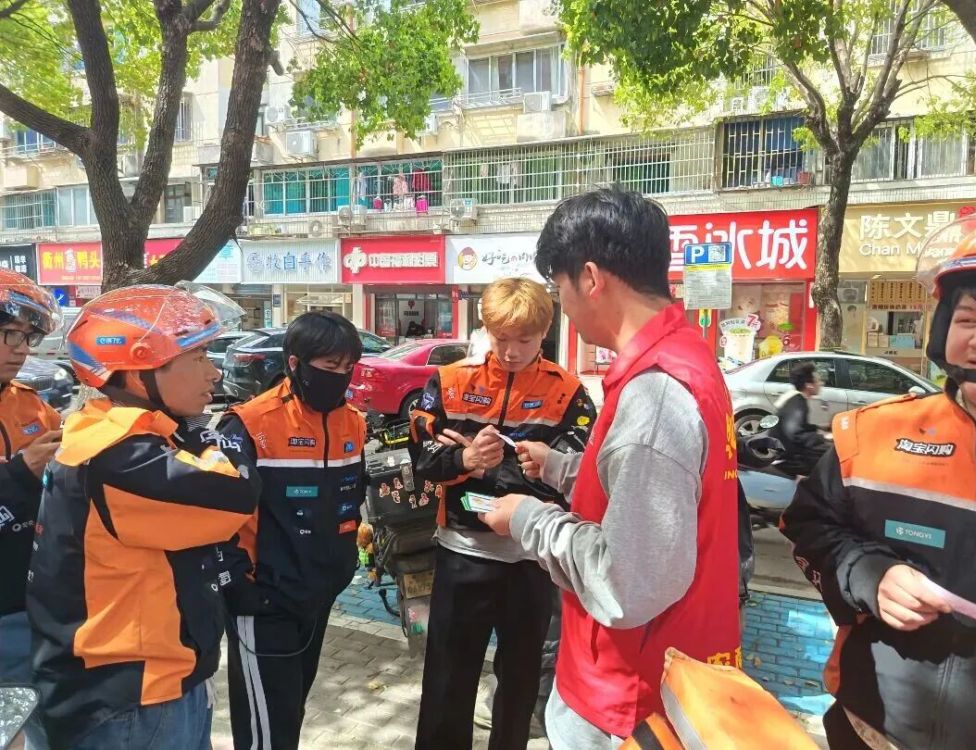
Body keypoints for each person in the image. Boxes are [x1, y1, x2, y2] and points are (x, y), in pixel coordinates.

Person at [479, 187, 741, 749]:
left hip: (629, 701)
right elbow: (652, 489)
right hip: (666, 676)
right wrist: (563, 469)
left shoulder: (655, 396)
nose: (564, 307)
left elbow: (625, 584)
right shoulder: (686, 357)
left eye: (560, 287)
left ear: (591, 278)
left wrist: (527, 519)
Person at [780, 211, 976, 749]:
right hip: (867, 731)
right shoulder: (873, 435)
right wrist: (869, 575)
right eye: (968, 318)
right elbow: (809, 527)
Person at [27, 284, 261, 750]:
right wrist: (210, 440)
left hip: (147, 685)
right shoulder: (119, 454)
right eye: (198, 357)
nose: (214, 372)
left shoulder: (118, 429)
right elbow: (236, 493)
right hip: (133, 698)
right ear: (138, 373)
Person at [409, 277, 594, 750]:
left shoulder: (569, 394)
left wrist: (537, 466)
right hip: (462, 554)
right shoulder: (449, 382)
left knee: (519, 685)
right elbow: (421, 462)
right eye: (501, 337)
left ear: (546, 331)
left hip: (532, 561)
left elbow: (583, 478)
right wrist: (465, 460)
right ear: (484, 328)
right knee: (447, 682)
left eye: (525, 340)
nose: (511, 352)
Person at [218, 311, 367, 750]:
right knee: (267, 730)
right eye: (329, 366)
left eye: (348, 367)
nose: (340, 377)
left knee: (290, 712)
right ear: (295, 363)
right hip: (264, 601)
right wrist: (241, 587)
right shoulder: (249, 424)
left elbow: (353, 496)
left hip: (319, 596)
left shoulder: (353, 422)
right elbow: (217, 519)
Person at [0, 270, 63, 750]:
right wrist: (20, 473)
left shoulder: (35, 408)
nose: (21, 349)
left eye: (27, 337)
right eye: (8, 334)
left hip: (31, 606)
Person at [774, 361, 830, 476]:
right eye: (818, 381)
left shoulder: (796, 399)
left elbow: (798, 427)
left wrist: (818, 427)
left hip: (788, 453)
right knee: (829, 458)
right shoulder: (797, 404)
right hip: (787, 460)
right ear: (809, 385)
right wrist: (823, 437)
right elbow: (796, 435)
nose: (821, 383)